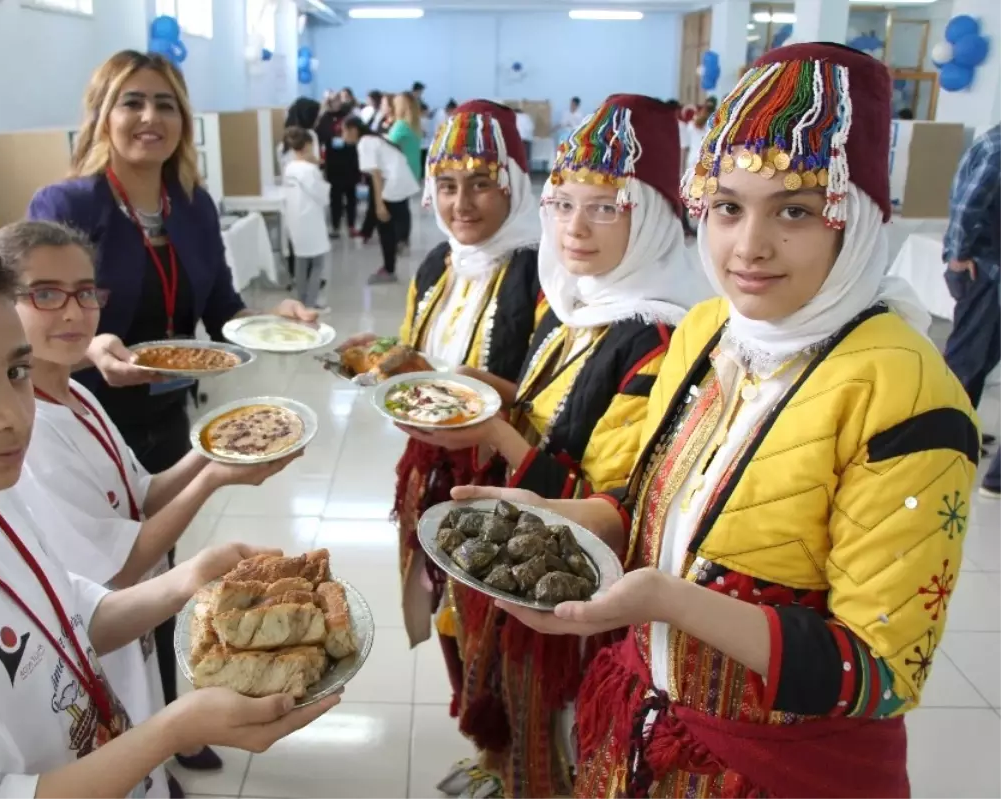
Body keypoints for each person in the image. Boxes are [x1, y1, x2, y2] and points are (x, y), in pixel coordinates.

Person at [457, 42, 976, 798]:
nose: (748, 247)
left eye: (795, 210)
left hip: (775, 767)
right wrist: (554, 510)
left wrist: (666, 600)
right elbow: (660, 508)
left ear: (855, 221)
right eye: (728, 206)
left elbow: (879, 669)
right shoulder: (708, 330)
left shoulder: (909, 394)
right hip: (652, 725)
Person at [0, 230, 339, 798]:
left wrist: (189, 579)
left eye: (15, 372)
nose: (12, 414)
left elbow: (70, 619)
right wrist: (172, 731)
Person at [404, 96, 706, 798]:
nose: (574, 227)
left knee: (559, 720)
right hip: (511, 533)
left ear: (655, 215)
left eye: (606, 207)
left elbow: (613, 502)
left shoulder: (654, 340)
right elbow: (541, 407)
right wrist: (481, 388)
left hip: (565, 573)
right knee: (501, 687)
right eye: (564, 202)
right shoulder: (576, 306)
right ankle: (504, 770)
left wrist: (496, 432)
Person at [26, 49, 317, 771]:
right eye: (131, 102)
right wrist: (92, 345)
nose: (149, 118)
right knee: (97, 585)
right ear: (102, 113)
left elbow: (220, 310)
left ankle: (168, 725)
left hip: (165, 412)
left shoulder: (192, 201)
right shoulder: (69, 204)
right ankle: (116, 740)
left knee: (161, 570)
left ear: (184, 120)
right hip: (85, 407)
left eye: (164, 103)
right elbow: (39, 304)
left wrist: (272, 319)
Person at [0, 219, 303, 799]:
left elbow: (140, 494)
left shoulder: (75, 393)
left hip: (132, 625)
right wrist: (212, 475)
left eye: (86, 292)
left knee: (142, 732)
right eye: (44, 294)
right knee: (113, 749)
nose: (73, 312)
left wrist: (214, 447)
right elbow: (118, 570)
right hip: (99, 632)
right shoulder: (24, 437)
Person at [386, 99, 545, 669]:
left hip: (501, 479)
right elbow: (416, 351)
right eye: (447, 185)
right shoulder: (437, 262)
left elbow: (550, 391)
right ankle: (480, 748)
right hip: (430, 464)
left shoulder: (541, 272)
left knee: (495, 623)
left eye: (480, 184)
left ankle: (502, 755)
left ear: (514, 187)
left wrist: (483, 389)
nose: (461, 204)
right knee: (442, 599)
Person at [943, 119, 1001, 494]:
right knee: (966, 362)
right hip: (988, 270)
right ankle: (942, 442)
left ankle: (960, 434)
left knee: (978, 361)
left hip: (987, 269)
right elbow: (967, 206)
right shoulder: (997, 148)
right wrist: (959, 256)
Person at [341, 116, 421, 285]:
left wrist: (379, 204)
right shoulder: (376, 138)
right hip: (400, 181)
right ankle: (392, 262)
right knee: (393, 222)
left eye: (344, 131)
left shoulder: (365, 143)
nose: (342, 136)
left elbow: (376, 176)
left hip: (393, 184)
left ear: (353, 130)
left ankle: (389, 270)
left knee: (385, 225)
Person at [281, 128, 333, 307]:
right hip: (311, 220)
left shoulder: (289, 168)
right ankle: (311, 303)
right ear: (308, 146)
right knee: (317, 263)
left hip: (295, 220)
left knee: (301, 262)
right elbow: (323, 196)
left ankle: (301, 300)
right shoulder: (310, 170)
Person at [316, 96, 360, 239]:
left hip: (350, 161)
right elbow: (320, 136)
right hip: (333, 163)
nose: (337, 104)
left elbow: (357, 135)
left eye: (338, 101)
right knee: (335, 197)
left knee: (351, 196)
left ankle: (351, 225)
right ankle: (335, 226)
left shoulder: (348, 117)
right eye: (334, 101)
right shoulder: (324, 119)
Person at [387, 91, 424, 182]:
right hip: (413, 171)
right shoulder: (415, 125)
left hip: (400, 174)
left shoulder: (401, 126)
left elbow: (388, 146)